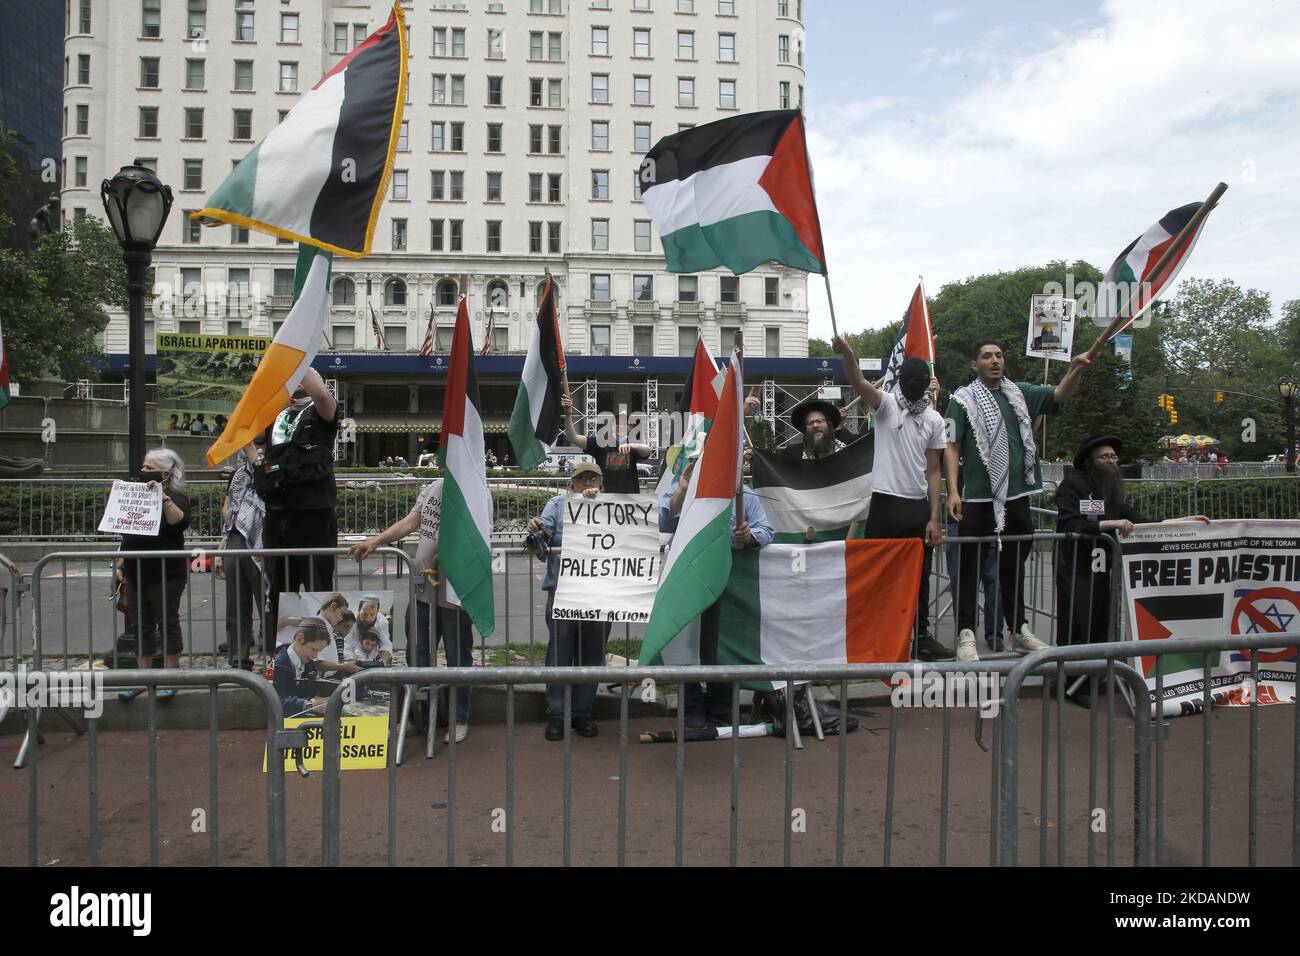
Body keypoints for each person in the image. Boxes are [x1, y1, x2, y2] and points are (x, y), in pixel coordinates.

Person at [944, 340, 1093, 662]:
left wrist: (1076, 369)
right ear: (975, 364)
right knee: (968, 568)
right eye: (987, 356)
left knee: (1013, 567)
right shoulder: (961, 399)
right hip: (978, 497)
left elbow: (1058, 396)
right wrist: (954, 491)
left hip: (1017, 496)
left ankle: (1019, 628)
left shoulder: (1019, 392)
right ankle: (965, 633)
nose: (995, 361)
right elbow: (952, 446)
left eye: (999, 355)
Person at [1055, 435, 1211, 705]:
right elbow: (1071, 523)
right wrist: (1111, 524)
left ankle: (1094, 676)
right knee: (1079, 624)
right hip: (1077, 569)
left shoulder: (1110, 491)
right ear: (1091, 461)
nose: (1112, 462)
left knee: (1102, 624)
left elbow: (1141, 522)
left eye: (1114, 457)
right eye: (1105, 457)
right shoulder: (1073, 485)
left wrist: (1185, 522)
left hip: (1104, 573)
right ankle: (1071, 682)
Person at [832, 338, 949, 660]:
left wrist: (935, 518)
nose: (914, 386)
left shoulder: (934, 420)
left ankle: (920, 637)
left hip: (916, 507)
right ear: (900, 381)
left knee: (920, 577)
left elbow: (934, 470)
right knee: (878, 574)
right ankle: (873, 637)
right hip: (885, 502)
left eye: (920, 383)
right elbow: (858, 381)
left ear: (927, 384)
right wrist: (849, 354)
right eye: (909, 381)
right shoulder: (886, 405)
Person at [348, 480, 476, 744]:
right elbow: (411, 521)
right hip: (422, 593)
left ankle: (459, 718)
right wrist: (376, 540)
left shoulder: (475, 488)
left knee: (458, 659)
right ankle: (422, 716)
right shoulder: (433, 487)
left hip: (455, 595)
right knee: (417, 657)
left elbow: (477, 534)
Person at [660, 455, 775, 728]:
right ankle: (691, 706)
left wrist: (750, 536)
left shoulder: (744, 495)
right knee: (685, 643)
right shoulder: (682, 488)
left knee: (722, 641)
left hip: (728, 583)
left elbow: (766, 529)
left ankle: (720, 706)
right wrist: (682, 492)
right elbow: (661, 521)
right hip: (688, 580)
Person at [255, 367, 340, 647]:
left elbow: (324, 397)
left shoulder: (320, 412)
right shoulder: (277, 413)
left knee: (317, 584)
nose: (296, 383)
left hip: (314, 513)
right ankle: (281, 656)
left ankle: (322, 653)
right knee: (279, 588)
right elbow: (252, 441)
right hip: (279, 511)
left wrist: (299, 364)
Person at [526, 461, 609, 740]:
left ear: (601, 483)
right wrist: (535, 530)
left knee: (592, 655)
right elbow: (541, 539)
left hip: (599, 595)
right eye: (581, 479)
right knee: (559, 654)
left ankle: (583, 713)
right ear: (572, 484)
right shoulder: (557, 504)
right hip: (563, 593)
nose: (587, 483)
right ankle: (558, 715)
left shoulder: (615, 506)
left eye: (592, 478)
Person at [114, 448, 191, 700]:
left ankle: (170, 676)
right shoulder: (136, 494)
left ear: (166, 474)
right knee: (140, 625)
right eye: (144, 466)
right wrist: (121, 562)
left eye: (150, 467)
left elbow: (179, 521)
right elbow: (128, 530)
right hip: (137, 569)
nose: (144, 470)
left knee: (167, 621)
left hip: (167, 572)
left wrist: (162, 498)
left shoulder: (176, 497)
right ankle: (142, 677)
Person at [215, 437, 267, 670]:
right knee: (236, 603)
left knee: (268, 602)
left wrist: (254, 454)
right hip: (237, 538)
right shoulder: (238, 475)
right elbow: (230, 507)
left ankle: (276, 659)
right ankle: (238, 659)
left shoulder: (273, 467)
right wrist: (223, 545)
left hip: (264, 540)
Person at [560, 393, 652, 493]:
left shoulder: (634, 446)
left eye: (625, 423)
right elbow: (573, 437)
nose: (620, 426)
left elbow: (647, 451)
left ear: (631, 427)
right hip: (604, 499)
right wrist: (567, 413)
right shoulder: (600, 442)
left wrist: (632, 445)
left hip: (629, 501)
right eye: (617, 423)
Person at [272, 617, 334, 717]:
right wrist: (311, 704)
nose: (315, 656)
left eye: (319, 652)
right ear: (300, 639)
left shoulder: (308, 664)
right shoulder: (277, 664)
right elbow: (274, 701)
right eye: (314, 649)